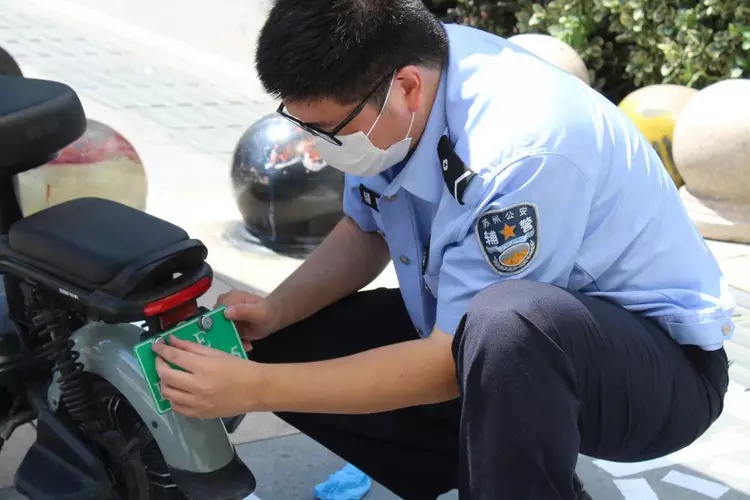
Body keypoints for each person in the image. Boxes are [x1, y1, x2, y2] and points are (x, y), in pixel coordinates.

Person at [150, 1, 735, 498]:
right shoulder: (397, 85)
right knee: (279, 344)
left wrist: (255, 391)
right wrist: (275, 312)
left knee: (508, 326)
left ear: (405, 86)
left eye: (331, 131)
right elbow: (367, 229)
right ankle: (496, 474)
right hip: (500, 345)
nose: (321, 148)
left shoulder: (520, 146)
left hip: (658, 375)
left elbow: (447, 361)